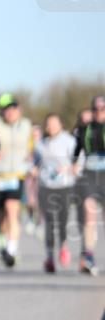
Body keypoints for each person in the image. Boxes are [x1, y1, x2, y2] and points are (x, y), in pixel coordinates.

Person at [0, 93, 34, 267]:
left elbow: (33, 147)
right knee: (1, 214)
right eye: (6, 109)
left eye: (13, 108)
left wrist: (32, 161)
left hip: (17, 174)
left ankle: (11, 250)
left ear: (19, 109)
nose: (10, 112)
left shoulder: (27, 126)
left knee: (12, 209)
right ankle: (2, 245)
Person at [34, 113, 77, 272]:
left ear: (60, 125)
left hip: (64, 187)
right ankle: (50, 257)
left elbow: (78, 162)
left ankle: (63, 246)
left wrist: (68, 168)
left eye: (53, 123)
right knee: (49, 222)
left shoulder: (70, 141)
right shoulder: (41, 144)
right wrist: (33, 169)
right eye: (48, 124)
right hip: (46, 186)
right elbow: (35, 162)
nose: (50, 127)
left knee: (63, 220)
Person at [74, 95, 105, 276]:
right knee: (89, 214)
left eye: (102, 109)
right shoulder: (85, 129)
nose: (99, 112)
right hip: (91, 175)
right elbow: (76, 151)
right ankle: (89, 256)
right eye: (95, 109)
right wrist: (72, 166)